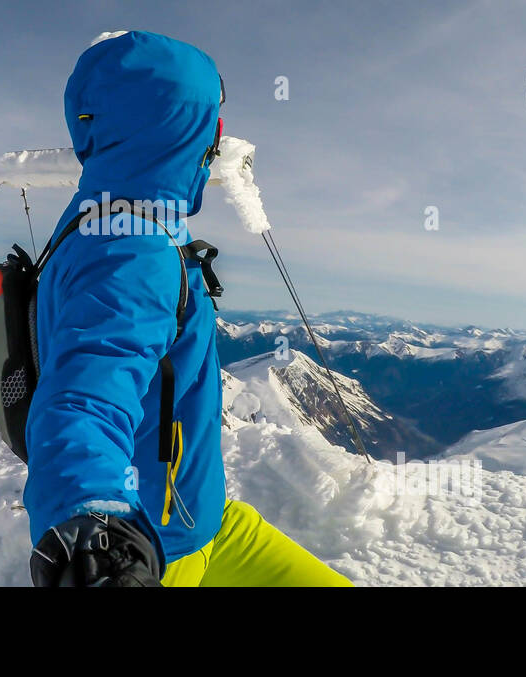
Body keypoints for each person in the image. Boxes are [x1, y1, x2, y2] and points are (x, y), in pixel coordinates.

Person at [24, 30, 352, 587]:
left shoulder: (109, 215)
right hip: (162, 549)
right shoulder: (134, 251)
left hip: (207, 522)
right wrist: (97, 523)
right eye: (212, 117)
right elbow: (83, 398)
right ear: (192, 127)